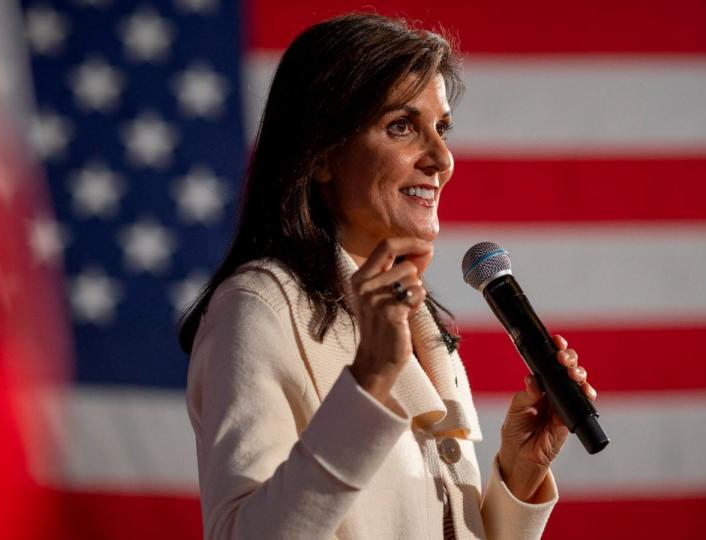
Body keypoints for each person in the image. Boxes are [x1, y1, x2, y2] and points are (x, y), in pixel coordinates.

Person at [179, 13, 597, 540]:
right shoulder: (259, 305)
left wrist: (519, 473)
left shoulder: (423, 325)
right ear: (323, 155)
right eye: (402, 126)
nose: (441, 158)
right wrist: (368, 382)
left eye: (441, 128)